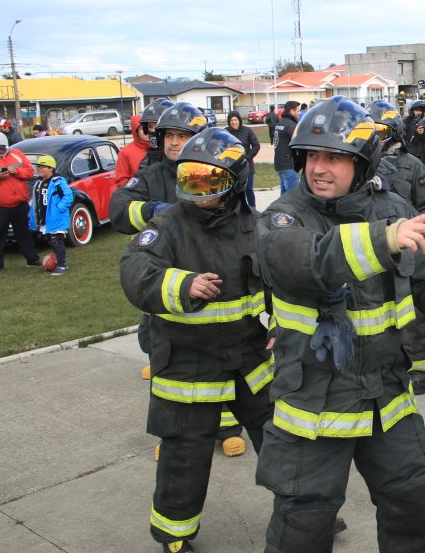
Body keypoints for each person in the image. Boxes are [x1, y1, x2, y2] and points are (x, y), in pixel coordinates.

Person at [254, 96, 425, 553]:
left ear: (362, 161)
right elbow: (304, 263)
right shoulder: (283, 216)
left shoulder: (391, 207)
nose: (319, 168)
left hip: (385, 397)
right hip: (313, 404)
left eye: (334, 157)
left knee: (410, 505)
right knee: (303, 522)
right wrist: (383, 238)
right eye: (312, 155)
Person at [120, 126, 274, 552]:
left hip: (249, 358)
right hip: (188, 363)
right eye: (189, 178)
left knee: (282, 439)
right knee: (184, 457)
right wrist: (180, 285)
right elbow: (135, 270)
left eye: (209, 181)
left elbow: (284, 282)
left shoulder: (256, 227)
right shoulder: (167, 225)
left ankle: (304, 512)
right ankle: (173, 534)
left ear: (235, 183)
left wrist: (280, 323)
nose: (197, 189)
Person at [370, 100, 425, 393]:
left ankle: (423, 368)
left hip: (408, 253)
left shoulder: (411, 165)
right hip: (373, 250)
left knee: (413, 313)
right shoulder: (360, 166)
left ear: (394, 132)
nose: (374, 136)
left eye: (379, 130)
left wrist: (417, 234)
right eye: (369, 130)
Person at [0, 132, 42, 274]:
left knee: (24, 233)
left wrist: (16, 171)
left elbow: (30, 172)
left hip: (19, 203)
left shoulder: (17, 154)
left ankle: (32, 259)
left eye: (3, 148)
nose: (1, 151)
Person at [29, 155, 74, 276]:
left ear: (51, 168)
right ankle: (57, 260)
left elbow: (68, 196)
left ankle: (62, 264)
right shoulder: (38, 183)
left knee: (56, 241)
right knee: (50, 240)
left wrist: (60, 208)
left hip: (56, 218)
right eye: (38, 167)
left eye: (42, 167)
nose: (39, 169)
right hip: (45, 219)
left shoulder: (58, 181)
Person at [224, 110, 261, 207]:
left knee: (248, 189)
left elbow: (256, 145)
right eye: (231, 120)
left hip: (247, 165)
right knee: (235, 191)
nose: (233, 122)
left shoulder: (247, 130)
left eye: (235, 120)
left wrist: (248, 157)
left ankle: (253, 209)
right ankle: (237, 210)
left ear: (239, 120)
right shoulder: (225, 132)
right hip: (231, 167)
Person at [272, 101, 301, 195]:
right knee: (292, 196)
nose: (300, 113)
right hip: (289, 164)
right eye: (298, 110)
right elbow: (298, 144)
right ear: (292, 111)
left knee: (284, 196)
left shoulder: (280, 123)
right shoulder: (291, 125)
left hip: (279, 163)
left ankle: (281, 210)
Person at [114, 114, 150, 188]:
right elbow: (121, 180)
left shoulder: (160, 148)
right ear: (136, 131)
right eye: (142, 129)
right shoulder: (125, 152)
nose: (147, 132)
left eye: (149, 127)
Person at [139, 99, 176, 167]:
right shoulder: (145, 163)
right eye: (150, 127)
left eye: (157, 126)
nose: (153, 131)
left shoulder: (182, 160)